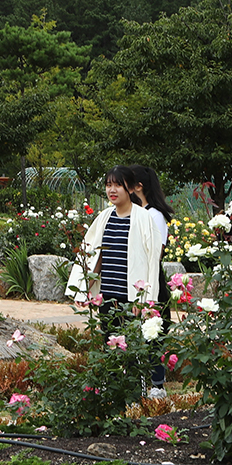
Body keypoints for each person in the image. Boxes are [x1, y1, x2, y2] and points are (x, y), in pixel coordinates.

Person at [71, 165, 160, 315]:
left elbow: (152, 261)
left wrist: (143, 299)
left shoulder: (144, 219)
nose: (112, 190)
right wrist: (83, 289)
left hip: (131, 300)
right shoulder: (104, 218)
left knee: (131, 337)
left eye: (118, 185)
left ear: (131, 188)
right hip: (107, 298)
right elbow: (96, 257)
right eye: (108, 185)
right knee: (109, 337)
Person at [128, 163, 173, 398]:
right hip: (137, 280)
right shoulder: (138, 213)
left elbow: (156, 252)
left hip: (150, 281)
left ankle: (157, 385)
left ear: (138, 186)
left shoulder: (153, 215)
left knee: (152, 332)